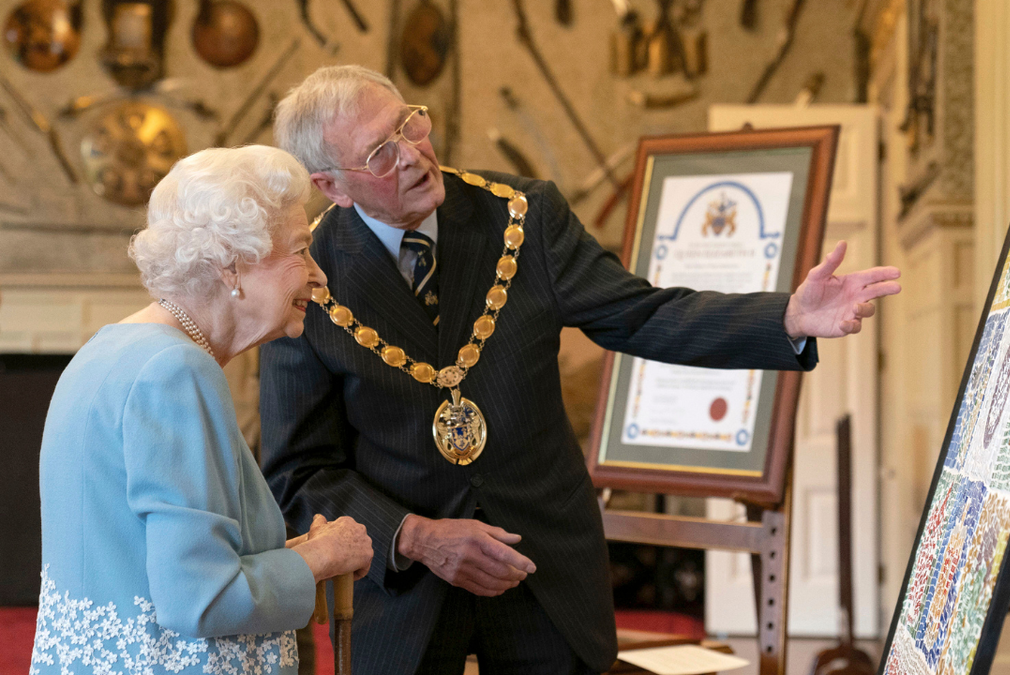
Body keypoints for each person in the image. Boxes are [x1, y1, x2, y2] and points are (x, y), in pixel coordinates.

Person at [261, 65, 901, 675]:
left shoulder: (522, 216)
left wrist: (786, 317)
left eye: (410, 124)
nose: (412, 153)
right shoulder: (303, 273)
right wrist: (417, 537)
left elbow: (642, 315)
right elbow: (299, 473)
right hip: (406, 592)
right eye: (379, 152)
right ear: (332, 187)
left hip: (543, 570)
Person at [31, 145, 375, 675]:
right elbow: (202, 599)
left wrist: (289, 551)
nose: (318, 275)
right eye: (301, 250)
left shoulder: (107, 348)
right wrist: (323, 558)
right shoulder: (177, 371)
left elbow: (134, 553)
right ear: (232, 264)